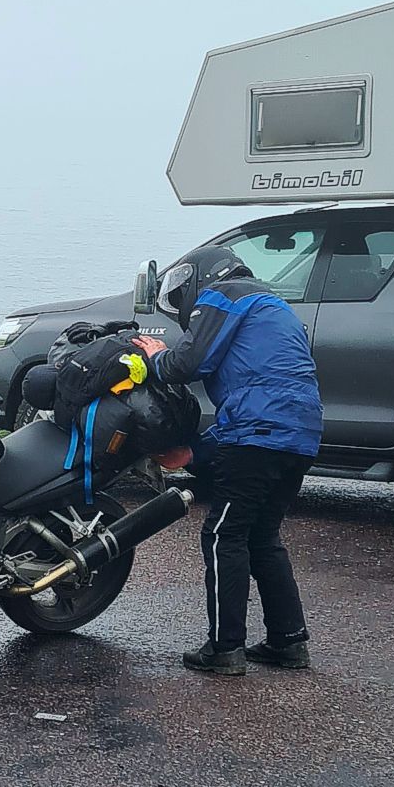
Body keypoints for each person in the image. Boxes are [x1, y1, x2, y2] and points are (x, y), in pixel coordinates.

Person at [132, 246, 321, 676]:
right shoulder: (274, 306)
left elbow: (188, 363)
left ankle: (224, 649)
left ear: (199, 276)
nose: (184, 303)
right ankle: (288, 642)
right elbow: (261, 392)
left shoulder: (225, 294)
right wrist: (196, 452)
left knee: (223, 535)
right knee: (262, 537)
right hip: (300, 434)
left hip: (260, 434)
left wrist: (154, 356)